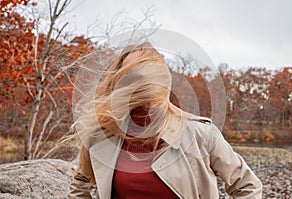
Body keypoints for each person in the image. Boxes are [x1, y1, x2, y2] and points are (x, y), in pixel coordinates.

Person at [68, 42, 262, 199]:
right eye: (132, 73)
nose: (141, 80)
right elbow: (79, 188)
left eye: (147, 72)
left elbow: (247, 186)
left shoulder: (200, 133)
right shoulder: (102, 135)